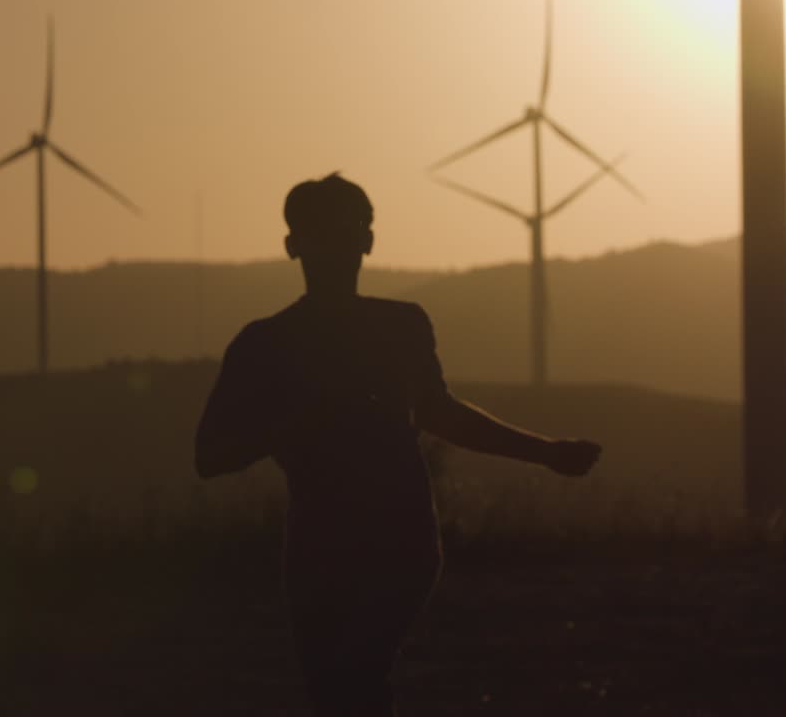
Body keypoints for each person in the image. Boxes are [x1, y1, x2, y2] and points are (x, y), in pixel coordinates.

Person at [195, 173, 601, 716]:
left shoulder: (393, 329)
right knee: (344, 691)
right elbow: (210, 456)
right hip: (322, 551)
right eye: (325, 232)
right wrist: (290, 424)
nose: (338, 245)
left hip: (396, 543)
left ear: (366, 241)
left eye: (348, 231)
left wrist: (547, 451)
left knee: (351, 681)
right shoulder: (265, 344)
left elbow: (441, 414)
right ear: (294, 245)